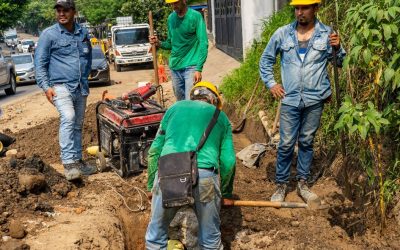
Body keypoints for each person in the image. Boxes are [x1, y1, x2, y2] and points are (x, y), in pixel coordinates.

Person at [259, 0, 346, 203]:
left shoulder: (327, 34)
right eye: (297, 8)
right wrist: (271, 84)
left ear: (315, 8)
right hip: (289, 99)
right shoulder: (282, 33)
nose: (300, 12)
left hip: (315, 98)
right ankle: (281, 185)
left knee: (306, 142)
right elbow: (266, 60)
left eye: (304, 8)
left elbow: (338, 62)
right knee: (287, 143)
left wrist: (338, 48)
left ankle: (303, 183)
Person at [145, 82, 236, 249]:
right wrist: (226, 192)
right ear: (214, 100)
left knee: (156, 237)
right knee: (210, 241)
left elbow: (154, 151)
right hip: (205, 177)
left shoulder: (174, 109)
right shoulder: (221, 117)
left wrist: (152, 185)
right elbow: (228, 162)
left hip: (168, 173)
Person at [35, 0, 96, 181]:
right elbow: (40, 64)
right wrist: (46, 87)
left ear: (73, 12)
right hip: (60, 86)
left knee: (77, 124)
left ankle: (78, 161)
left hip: (80, 86)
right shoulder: (49, 35)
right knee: (68, 117)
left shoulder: (82, 33)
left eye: (65, 10)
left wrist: (86, 77)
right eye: (59, 11)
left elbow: (88, 56)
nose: (61, 14)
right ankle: (69, 163)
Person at [149, 0, 208, 101]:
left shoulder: (195, 16)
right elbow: (170, 44)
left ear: (184, 1)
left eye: (176, 3)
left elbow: (203, 43)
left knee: (190, 101)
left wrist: (199, 68)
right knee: (180, 102)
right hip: (175, 67)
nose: (173, 6)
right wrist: (158, 43)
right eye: (171, 4)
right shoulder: (171, 19)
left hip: (191, 66)